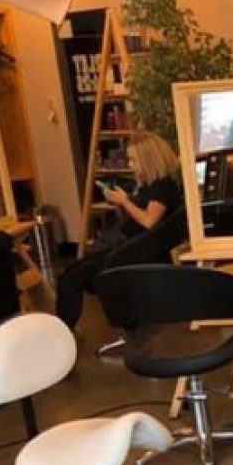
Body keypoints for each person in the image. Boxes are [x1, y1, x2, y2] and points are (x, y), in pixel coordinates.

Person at [55, 132, 183, 329]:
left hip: (134, 252)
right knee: (70, 273)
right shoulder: (152, 186)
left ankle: (62, 331)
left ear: (148, 160)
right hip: (130, 247)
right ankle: (62, 328)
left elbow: (149, 221)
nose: (130, 165)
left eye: (133, 160)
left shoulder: (162, 187)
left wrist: (124, 202)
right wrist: (125, 201)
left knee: (72, 277)